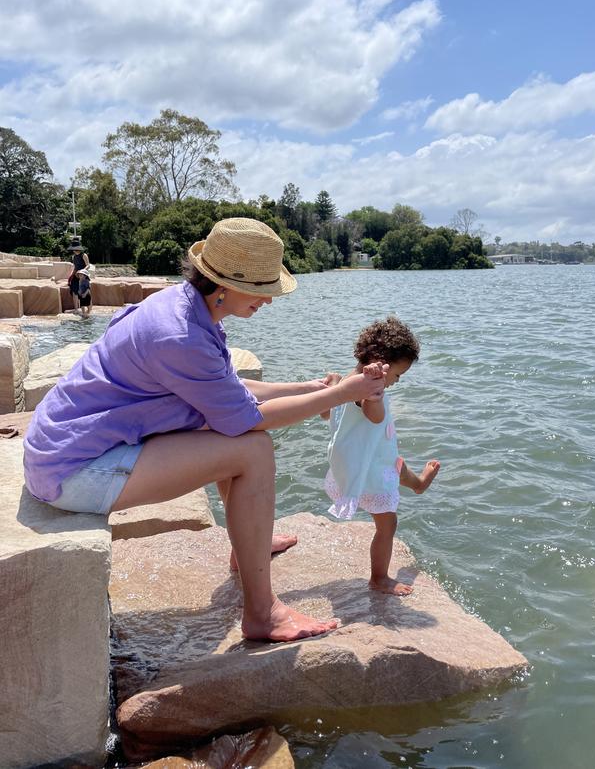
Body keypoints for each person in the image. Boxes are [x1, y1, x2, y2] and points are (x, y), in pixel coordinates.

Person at [23, 218, 387, 642]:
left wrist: (308, 388)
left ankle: (248, 542)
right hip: (71, 471)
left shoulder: (186, 306)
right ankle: (262, 614)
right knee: (252, 449)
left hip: (64, 444)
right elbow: (244, 418)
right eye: (262, 289)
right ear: (225, 284)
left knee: (235, 437)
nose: (269, 301)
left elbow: (225, 391)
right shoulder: (179, 335)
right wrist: (342, 394)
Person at [323, 317, 441, 596]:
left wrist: (333, 386)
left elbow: (325, 412)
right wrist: (373, 393)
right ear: (380, 363)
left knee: (394, 461)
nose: (397, 382)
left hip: (370, 452)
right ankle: (379, 578)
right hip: (367, 467)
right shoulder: (365, 388)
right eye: (397, 375)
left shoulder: (347, 381)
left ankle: (418, 483)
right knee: (388, 523)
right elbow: (374, 417)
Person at [68, 241, 90, 312]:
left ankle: (87, 309)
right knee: (74, 292)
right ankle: (76, 309)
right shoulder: (73, 257)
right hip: (76, 275)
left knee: (83, 292)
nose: (75, 250)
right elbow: (75, 267)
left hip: (83, 275)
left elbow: (88, 265)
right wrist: (71, 275)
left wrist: (82, 271)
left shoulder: (84, 255)